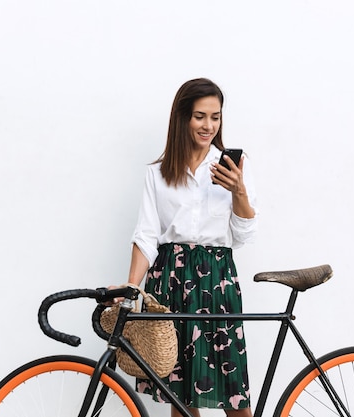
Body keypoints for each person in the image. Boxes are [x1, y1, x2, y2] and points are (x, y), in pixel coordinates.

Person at [126, 78, 258, 417]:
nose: (209, 126)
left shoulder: (231, 169)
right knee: (180, 396)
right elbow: (146, 235)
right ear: (183, 118)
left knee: (233, 395)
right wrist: (132, 286)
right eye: (200, 116)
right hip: (170, 281)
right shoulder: (158, 173)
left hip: (217, 281)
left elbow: (243, 235)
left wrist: (238, 191)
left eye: (215, 117)